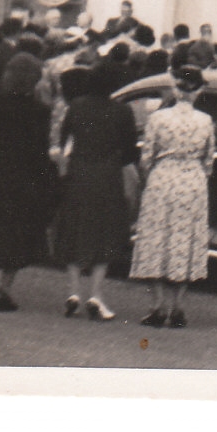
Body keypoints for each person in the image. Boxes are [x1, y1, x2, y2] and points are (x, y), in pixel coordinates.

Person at [0, 52, 57, 312]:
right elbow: (40, 150)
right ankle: (4, 290)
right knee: (17, 233)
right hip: (24, 179)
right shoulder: (39, 112)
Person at [131, 66, 216, 328]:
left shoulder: (158, 118)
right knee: (185, 239)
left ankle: (157, 305)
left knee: (157, 237)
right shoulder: (205, 120)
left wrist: (154, 171)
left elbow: (146, 157)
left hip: (163, 177)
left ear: (175, 88)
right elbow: (209, 160)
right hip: (192, 180)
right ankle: (178, 307)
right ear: (199, 90)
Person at [52, 66, 138, 320]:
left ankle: (73, 292)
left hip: (79, 173)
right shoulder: (123, 111)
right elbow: (129, 150)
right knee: (105, 233)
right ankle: (96, 294)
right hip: (108, 176)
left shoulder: (76, 107)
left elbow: (65, 140)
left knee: (74, 229)